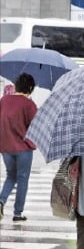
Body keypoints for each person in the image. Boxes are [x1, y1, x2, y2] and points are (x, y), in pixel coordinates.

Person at [0, 73, 37, 222]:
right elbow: (35, 126)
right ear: (30, 87)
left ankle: (1, 201)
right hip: (23, 149)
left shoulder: (4, 100)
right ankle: (17, 213)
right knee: (22, 179)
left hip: (5, 147)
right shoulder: (29, 104)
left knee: (11, 176)